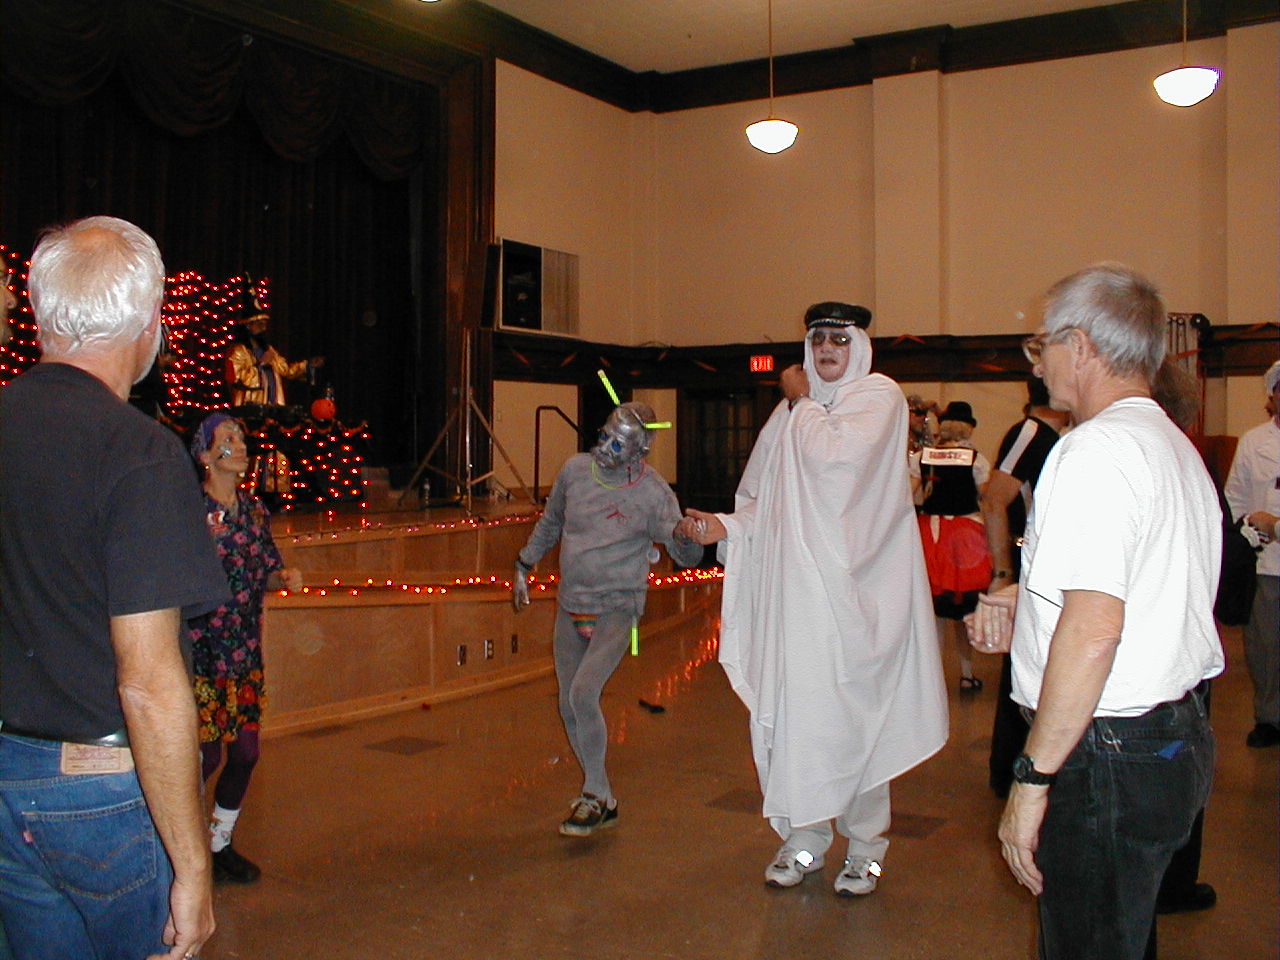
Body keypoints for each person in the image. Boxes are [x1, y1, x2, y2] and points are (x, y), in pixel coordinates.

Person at [967, 263, 1222, 960]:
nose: (1038, 363)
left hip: (1107, 751)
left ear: (1079, 346)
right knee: (1122, 934)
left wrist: (1031, 780)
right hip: (1168, 739)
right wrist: (1028, 601)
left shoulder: (1093, 450)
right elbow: (1148, 587)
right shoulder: (1169, 443)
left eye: (1042, 344)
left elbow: (1095, 631)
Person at [0, 216, 228, 959]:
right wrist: (193, 868)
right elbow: (148, 682)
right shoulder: (140, 452)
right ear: (150, 321)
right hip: (95, 794)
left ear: (40, 313)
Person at [682, 301, 947, 897]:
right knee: (802, 718)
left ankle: (866, 849)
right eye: (819, 339)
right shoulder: (790, 415)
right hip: (799, 604)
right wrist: (727, 526)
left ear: (860, 346)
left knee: (861, 722)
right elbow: (770, 501)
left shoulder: (877, 397)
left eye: (839, 340)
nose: (827, 349)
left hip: (862, 600)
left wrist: (801, 400)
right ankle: (804, 839)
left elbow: (834, 462)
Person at [513, 401, 703, 836]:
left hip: (618, 605)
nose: (605, 447)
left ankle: (595, 794)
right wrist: (524, 563)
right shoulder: (574, 471)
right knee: (568, 704)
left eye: (617, 444)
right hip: (571, 603)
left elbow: (687, 556)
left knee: (583, 694)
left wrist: (684, 535)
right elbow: (551, 522)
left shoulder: (653, 493)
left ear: (638, 451)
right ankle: (603, 797)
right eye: (603, 436)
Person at [187, 412, 304, 882]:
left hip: (244, 653)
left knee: (246, 753)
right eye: (227, 438)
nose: (240, 445)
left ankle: (219, 844)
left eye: (240, 437)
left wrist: (283, 577)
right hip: (201, 653)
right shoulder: (189, 510)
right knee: (205, 757)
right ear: (205, 455)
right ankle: (178, 848)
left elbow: (267, 570)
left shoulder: (255, 510)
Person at [980, 377, 1070, 796]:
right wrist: (1003, 572)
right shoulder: (1030, 432)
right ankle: (1009, 772)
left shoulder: (1054, 438)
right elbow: (994, 498)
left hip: (1046, 568)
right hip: (1026, 569)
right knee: (1022, 669)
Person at [912, 400, 992, 692]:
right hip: (966, 536)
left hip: (930, 534)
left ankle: (930, 677)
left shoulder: (922, 456)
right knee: (963, 608)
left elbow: (909, 493)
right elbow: (985, 498)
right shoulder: (976, 459)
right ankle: (966, 673)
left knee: (932, 609)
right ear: (968, 427)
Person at [1223, 359, 1280, 749]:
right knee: (1265, 647)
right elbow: (1235, 496)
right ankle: (1270, 717)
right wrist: (1246, 536)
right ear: (1272, 397)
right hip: (1267, 563)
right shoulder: (1253, 442)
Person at [226, 309, 323, 407]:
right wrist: (261, 364)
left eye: (265, 325)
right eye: (260, 325)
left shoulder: (268, 350)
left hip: (273, 407)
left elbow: (285, 369)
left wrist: (307, 365)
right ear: (248, 326)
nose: (263, 328)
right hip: (250, 408)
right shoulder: (238, 351)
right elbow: (237, 379)